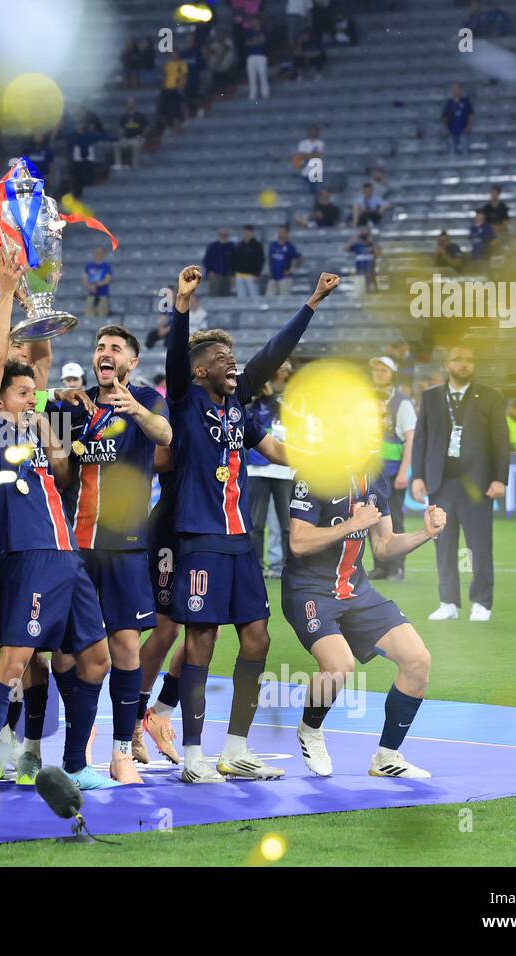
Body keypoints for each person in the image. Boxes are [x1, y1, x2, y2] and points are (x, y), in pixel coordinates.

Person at [165, 265, 340, 784]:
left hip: (239, 540)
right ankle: (194, 753)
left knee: (258, 638)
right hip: (199, 538)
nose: (232, 364)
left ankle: (235, 748)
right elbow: (178, 356)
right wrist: (182, 305)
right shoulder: (186, 399)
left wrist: (312, 302)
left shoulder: (239, 409)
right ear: (200, 371)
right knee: (200, 639)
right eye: (220, 360)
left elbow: (277, 435)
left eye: (232, 358)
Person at [0, 250, 118, 800]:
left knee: (93, 657)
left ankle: (73, 764)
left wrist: (36, 298)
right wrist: (5, 295)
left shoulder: (34, 430)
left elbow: (42, 363)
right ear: (1, 396)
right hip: (26, 554)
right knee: (13, 661)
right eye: (23, 393)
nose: (35, 399)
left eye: (34, 394)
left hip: (65, 554)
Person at [61, 324, 172, 784]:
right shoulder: (77, 406)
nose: (105, 354)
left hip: (126, 548)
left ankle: (121, 751)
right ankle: (79, 740)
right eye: (100, 347)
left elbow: (165, 435)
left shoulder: (146, 400)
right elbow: (64, 474)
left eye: (115, 349)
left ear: (132, 363)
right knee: (70, 653)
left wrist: (137, 413)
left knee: (126, 647)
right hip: (80, 547)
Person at [285, 469, 447, 779]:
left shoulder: (374, 477)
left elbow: (384, 546)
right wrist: (353, 524)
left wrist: (424, 533)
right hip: (310, 590)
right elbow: (298, 542)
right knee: (339, 666)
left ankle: (386, 757)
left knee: (417, 660)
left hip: (356, 591)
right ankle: (310, 729)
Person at [411, 345, 510, 623]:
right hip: (440, 483)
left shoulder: (489, 397)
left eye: (469, 359)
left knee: (480, 545)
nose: (464, 364)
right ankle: (448, 602)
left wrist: (500, 478)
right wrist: (417, 476)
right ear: (447, 365)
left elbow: (501, 441)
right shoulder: (431, 397)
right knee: (443, 544)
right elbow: (421, 439)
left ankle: (482, 602)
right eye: (458, 359)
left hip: (477, 485)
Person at [371, 355, 417, 582]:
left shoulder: (402, 402)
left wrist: (403, 472)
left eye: (384, 370)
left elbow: (410, 438)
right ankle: (380, 566)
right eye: (376, 370)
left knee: (394, 521)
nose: (379, 373)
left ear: (393, 374)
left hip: (391, 472)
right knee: (371, 520)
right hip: (369, 471)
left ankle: (397, 567)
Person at [246, 362, 294, 579]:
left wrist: (272, 397)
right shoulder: (254, 394)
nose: (278, 371)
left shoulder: (292, 394)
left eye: (282, 368)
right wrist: (259, 394)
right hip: (257, 466)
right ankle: (256, 566)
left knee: (287, 523)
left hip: (283, 468)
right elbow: (242, 412)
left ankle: (287, 565)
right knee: (256, 523)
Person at [267, 225, 303, 295]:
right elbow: (270, 259)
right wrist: (270, 271)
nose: (281, 234)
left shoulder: (290, 246)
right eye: (280, 232)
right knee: (269, 298)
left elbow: (300, 258)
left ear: (287, 234)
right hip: (273, 278)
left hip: (285, 278)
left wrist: (291, 270)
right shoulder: (273, 245)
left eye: (283, 232)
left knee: (284, 299)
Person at [441, 83, 474, 156]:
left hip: (463, 130)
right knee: (452, 151)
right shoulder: (449, 103)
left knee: (465, 151)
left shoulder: (466, 102)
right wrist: (446, 128)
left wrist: (468, 127)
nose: (456, 91)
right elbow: (444, 117)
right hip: (452, 131)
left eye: (458, 89)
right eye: (454, 89)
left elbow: (471, 115)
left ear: (461, 90)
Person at [232, 224, 264, 299]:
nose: (246, 233)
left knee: (254, 297)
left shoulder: (257, 245)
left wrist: (257, 274)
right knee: (241, 298)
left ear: (252, 233)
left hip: (251, 276)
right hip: (240, 275)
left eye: (248, 231)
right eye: (245, 232)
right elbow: (235, 260)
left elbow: (261, 260)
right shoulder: (239, 246)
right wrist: (234, 274)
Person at [203, 229, 235, 298]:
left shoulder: (231, 247)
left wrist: (232, 274)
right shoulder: (212, 246)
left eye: (225, 235)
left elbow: (234, 262)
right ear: (219, 235)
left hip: (227, 277)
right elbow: (206, 260)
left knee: (226, 297)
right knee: (215, 297)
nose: (223, 236)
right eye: (222, 235)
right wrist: (209, 271)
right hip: (215, 276)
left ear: (228, 236)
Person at [84, 246, 114, 317]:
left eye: (100, 252)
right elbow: (84, 278)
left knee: (102, 313)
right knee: (89, 313)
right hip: (91, 294)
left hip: (103, 294)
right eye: (96, 252)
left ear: (103, 254)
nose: (98, 254)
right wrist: (89, 286)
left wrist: (96, 285)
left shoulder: (106, 266)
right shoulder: (89, 266)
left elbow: (108, 279)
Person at [244, 17, 270, 101]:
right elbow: (247, 43)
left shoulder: (264, 31)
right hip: (251, 56)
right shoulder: (249, 32)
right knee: (252, 76)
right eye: (252, 21)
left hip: (261, 56)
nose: (253, 22)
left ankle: (265, 93)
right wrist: (256, 41)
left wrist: (254, 41)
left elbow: (263, 40)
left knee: (263, 75)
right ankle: (252, 94)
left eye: (255, 21)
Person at [346, 227, 379, 293]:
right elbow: (346, 248)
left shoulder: (372, 244)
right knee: (361, 286)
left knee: (371, 285)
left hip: (370, 269)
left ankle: (372, 293)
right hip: (360, 269)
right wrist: (353, 239)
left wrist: (371, 242)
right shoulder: (357, 244)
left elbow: (378, 253)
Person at [296, 125, 325, 194]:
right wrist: (312, 155)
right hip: (305, 171)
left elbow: (318, 156)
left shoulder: (320, 143)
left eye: (315, 131)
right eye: (311, 131)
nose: (313, 133)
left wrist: (307, 155)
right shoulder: (302, 143)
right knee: (305, 193)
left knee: (317, 193)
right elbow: (301, 155)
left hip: (316, 172)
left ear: (317, 133)